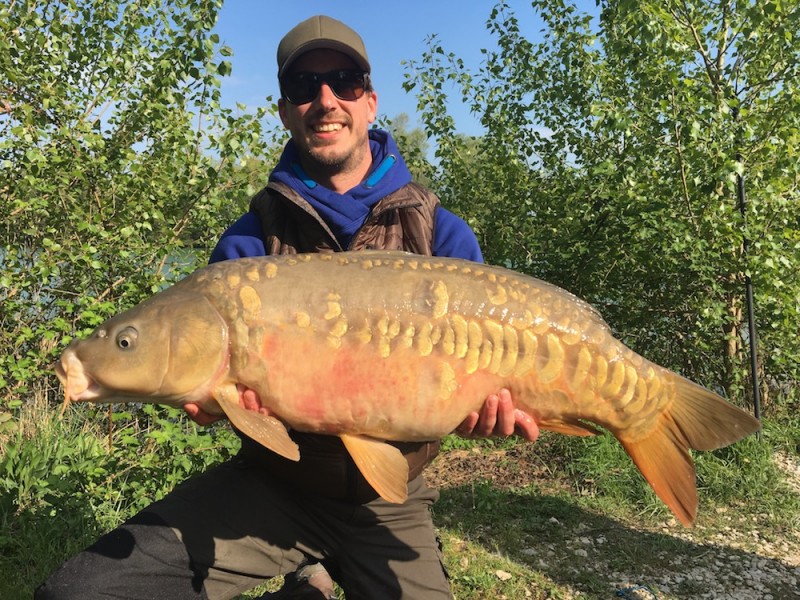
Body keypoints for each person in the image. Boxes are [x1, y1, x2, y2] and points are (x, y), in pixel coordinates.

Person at [36, 15, 539, 600]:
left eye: (344, 82)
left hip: (390, 501)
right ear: (285, 110)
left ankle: (316, 584)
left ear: (370, 103)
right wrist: (216, 406)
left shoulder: (443, 238)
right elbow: (219, 397)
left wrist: (486, 412)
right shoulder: (244, 249)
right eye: (304, 87)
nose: (325, 101)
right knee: (80, 593)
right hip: (275, 490)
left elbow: (484, 384)